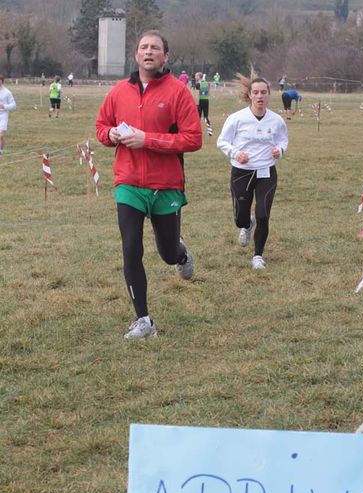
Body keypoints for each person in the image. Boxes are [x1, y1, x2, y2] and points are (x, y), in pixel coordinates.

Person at [96, 30, 202, 340]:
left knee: (166, 252)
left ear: (165, 56)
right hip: (128, 182)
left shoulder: (178, 92)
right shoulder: (118, 92)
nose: (149, 52)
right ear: (136, 55)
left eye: (155, 48)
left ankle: (180, 255)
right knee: (131, 248)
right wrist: (111, 135)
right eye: (143, 47)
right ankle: (143, 320)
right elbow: (102, 127)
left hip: (166, 184)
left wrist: (148, 140)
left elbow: (193, 139)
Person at [217, 74, 288, 270]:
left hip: (266, 172)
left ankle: (258, 256)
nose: (259, 96)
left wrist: (279, 150)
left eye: (263, 92)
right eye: (255, 92)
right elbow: (222, 141)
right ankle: (247, 225)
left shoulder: (277, 120)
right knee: (240, 218)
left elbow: (283, 140)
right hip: (242, 172)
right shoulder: (237, 118)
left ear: (268, 95)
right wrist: (236, 153)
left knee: (263, 215)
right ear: (249, 95)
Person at [0, 75, 16, 156]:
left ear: (2, 81)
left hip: (3, 115)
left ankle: (1, 151)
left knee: (1, 135)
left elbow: (14, 105)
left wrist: (4, 106)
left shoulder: (7, 92)